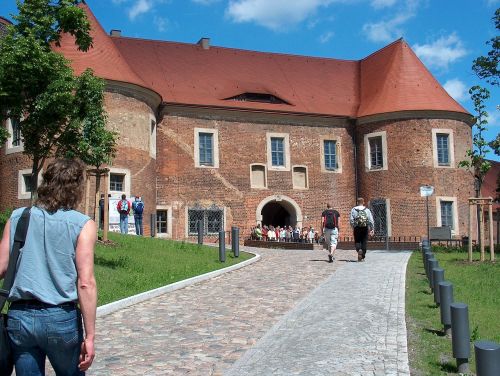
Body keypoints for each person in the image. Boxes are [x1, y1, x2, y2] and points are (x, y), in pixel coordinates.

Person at [0, 159, 97, 375]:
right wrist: (90, 337)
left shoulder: (18, 217)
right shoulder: (82, 224)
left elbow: (1, 268)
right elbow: (85, 283)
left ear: (46, 183)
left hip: (20, 318)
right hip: (60, 318)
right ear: (77, 188)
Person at [350, 197, 375, 262]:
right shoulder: (367, 210)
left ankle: (359, 250)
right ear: (363, 202)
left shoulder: (353, 209)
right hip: (365, 227)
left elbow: (351, 220)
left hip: (357, 227)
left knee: (357, 241)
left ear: (357, 202)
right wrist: (372, 229)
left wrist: (353, 226)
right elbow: (371, 220)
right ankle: (363, 256)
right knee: (364, 241)